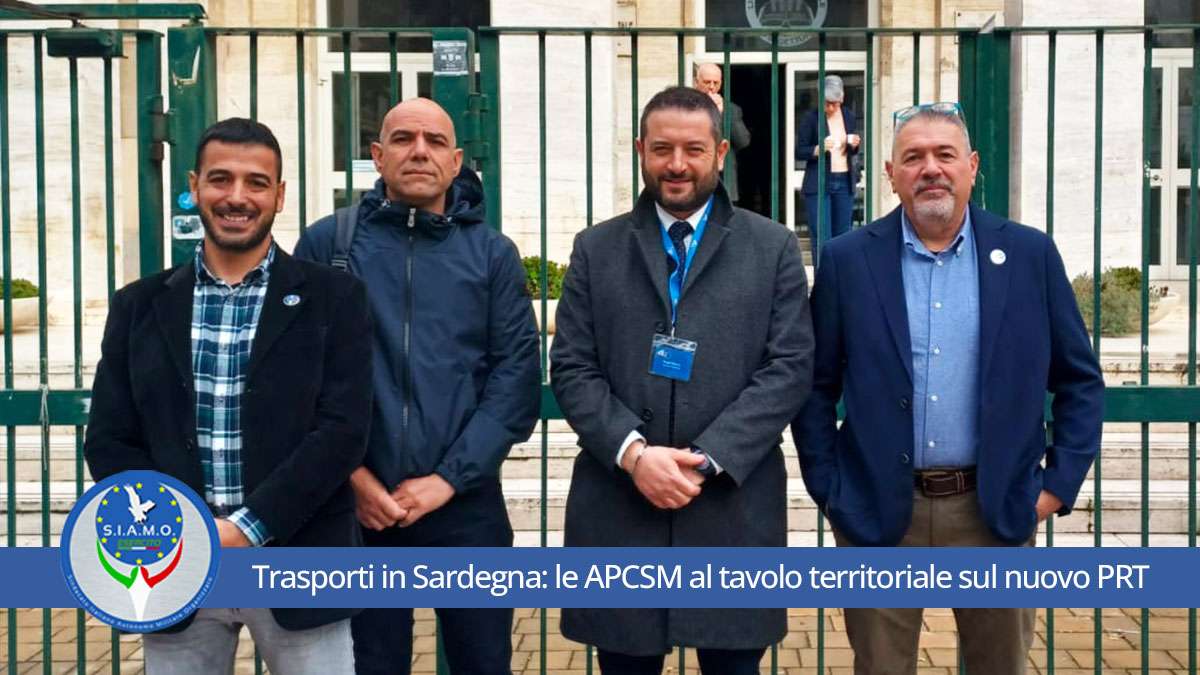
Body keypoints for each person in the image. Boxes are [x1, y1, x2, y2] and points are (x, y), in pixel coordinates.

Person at [793, 102, 1105, 675]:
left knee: (1000, 666)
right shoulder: (847, 260)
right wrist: (830, 489)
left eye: (945, 154)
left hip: (995, 509)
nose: (930, 169)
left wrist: (1055, 488)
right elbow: (814, 385)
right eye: (913, 157)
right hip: (878, 512)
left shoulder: (1030, 255)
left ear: (972, 166)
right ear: (890, 173)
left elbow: (1080, 381)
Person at [84, 117, 372, 674]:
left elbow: (342, 431)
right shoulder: (138, 305)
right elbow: (110, 439)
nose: (237, 197)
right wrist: (178, 531)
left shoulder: (335, 298)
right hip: (173, 567)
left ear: (279, 195)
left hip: (298, 558)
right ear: (195, 187)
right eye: (220, 179)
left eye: (256, 182)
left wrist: (246, 527)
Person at [551, 86, 814, 675]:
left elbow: (790, 367)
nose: (676, 164)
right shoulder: (596, 248)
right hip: (622, 505)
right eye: (662, 148)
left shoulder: (771, 247)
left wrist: (707, 457)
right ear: (640, 150)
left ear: (719, 151)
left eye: (693, 149)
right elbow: (572, 366)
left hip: (730, 507)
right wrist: (634, 454)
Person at [293, 97, 541, 675]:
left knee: (482, 662)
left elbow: (515, 380)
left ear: (456, 161)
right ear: (377, 156)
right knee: (371, 665)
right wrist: (353, 479)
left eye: (435, 141)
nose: (419, 151)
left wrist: (448, 480)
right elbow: (298, 376)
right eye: (404, 139)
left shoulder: (492, 255)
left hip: (465, 506)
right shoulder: (328, 246)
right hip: (357, 510)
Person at [795, 74, 861, 252]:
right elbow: (799, 151)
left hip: (844, 180)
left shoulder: (848, 116)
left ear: (842, 99)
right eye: (827, 103)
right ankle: (822, 270)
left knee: (843, 236)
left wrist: (854, 144)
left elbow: (851, 151)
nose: (831, 108)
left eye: (835, 103)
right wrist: (818, 149)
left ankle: (840, 271)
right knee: (821, 235)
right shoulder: (811, 118)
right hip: (819, 181)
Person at [693, 62, 751, 204]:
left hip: (725, 179)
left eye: (716, 83)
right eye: (707, 82)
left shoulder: (732, 109)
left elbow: (743, 141)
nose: (712, 87)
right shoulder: (686, 108)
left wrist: (722, 113)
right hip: (695, 178)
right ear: (696, 82)